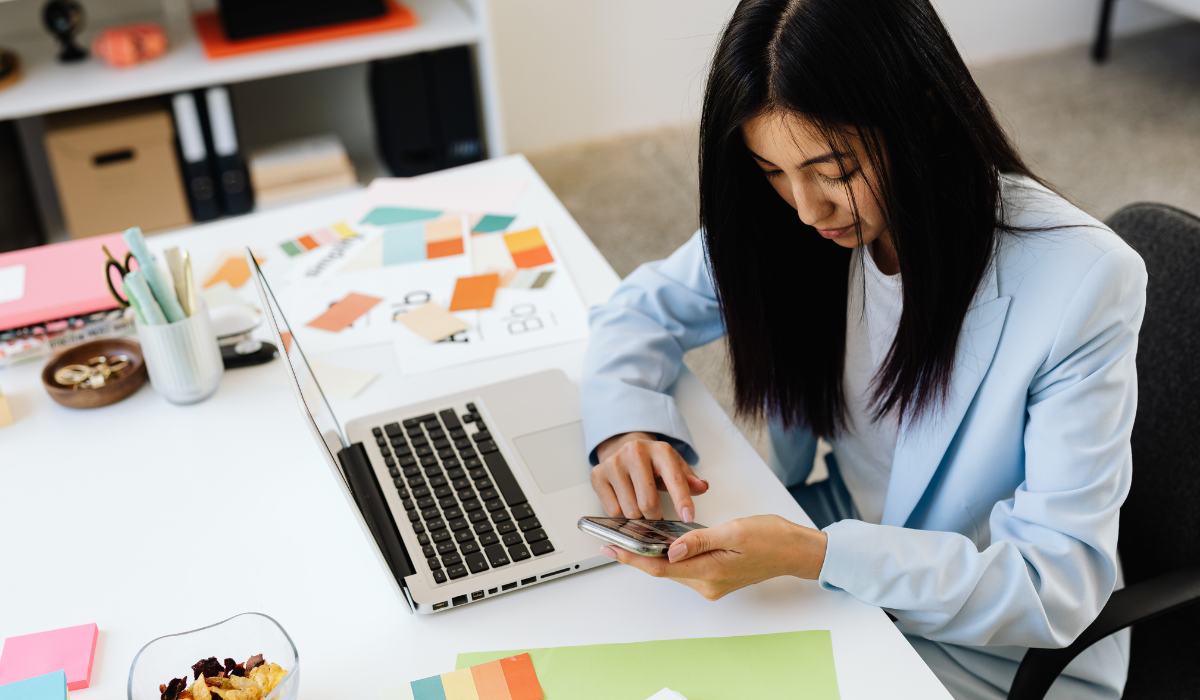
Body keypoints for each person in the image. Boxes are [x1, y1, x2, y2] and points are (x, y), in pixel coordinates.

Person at [578, 0, 1147, 698]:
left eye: (834, 170)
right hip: (831, 557)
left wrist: (820, 556)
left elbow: (1055, 585)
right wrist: (626, 426)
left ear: (925, 114)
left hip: (985, 651)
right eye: (772, 171)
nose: (805, 207)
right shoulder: (796, 222)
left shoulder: (1080, 280)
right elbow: (636, 312)